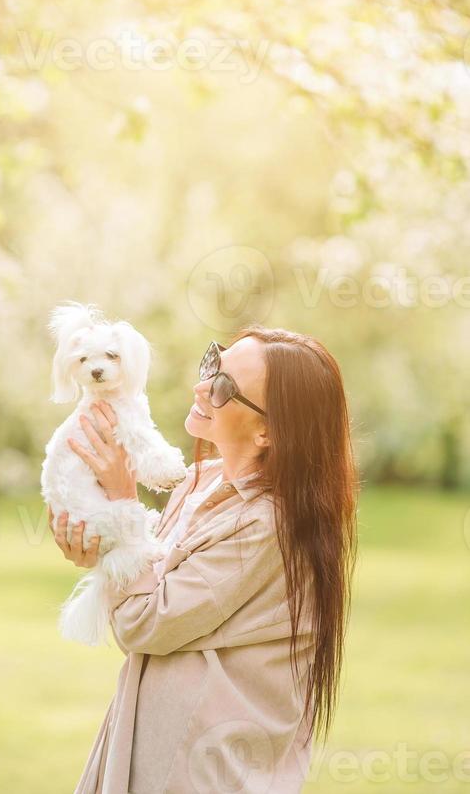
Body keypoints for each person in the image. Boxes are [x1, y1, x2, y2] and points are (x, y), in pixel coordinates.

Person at [49, 325, 360, 793]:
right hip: (151, 747)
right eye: (214, 364)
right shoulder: (199, 482)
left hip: (199, 770)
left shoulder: (266, 524)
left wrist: (122, 504)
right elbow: (147, 583)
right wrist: (101, 542)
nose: (201, 386)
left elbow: (144, 622)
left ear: (267, 431)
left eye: (224, 386)